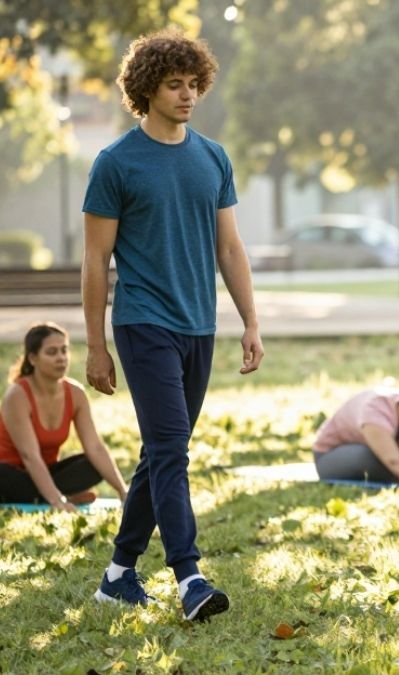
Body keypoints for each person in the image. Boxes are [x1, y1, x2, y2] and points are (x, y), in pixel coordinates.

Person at [82, 29, 264, 622]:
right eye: (173, 85)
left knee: (165, 450)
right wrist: (95, 345)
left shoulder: (213, 156)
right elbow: (95, 261)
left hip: (197, 325)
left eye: (193, 84)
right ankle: (189, 577)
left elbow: (230, 250)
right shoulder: (116, 163)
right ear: (146, 89)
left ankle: (117, 574)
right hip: (142, 321)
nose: (187, 96)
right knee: (169, 449)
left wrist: (251, 322)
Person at [0, 323, 128, 508]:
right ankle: (57, 495)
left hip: (45, 473)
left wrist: (123, 491)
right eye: (52, 352)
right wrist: (57, 500)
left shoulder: (76, 393)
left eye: (64, 351)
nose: (61, 358)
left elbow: (95, 447)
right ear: (33, 358)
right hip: (10, 472)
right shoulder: (17, 395)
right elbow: (30, 456)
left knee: (93, 464)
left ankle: (42, 494)